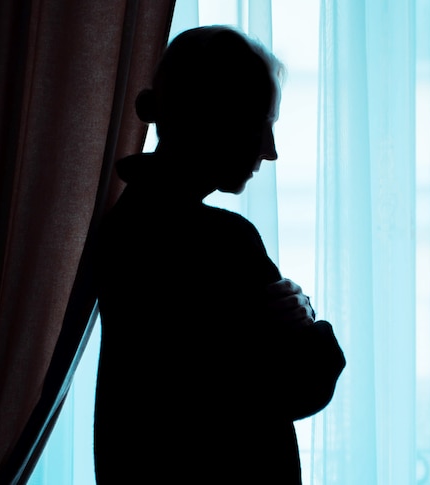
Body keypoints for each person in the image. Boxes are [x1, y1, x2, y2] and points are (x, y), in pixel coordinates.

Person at [93, 26, 345, 484]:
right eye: (262, 124)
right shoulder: (222, 242)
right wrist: (309, 319)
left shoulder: (121, 226)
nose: (270, 152)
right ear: (218, 120)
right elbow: (300, 385)